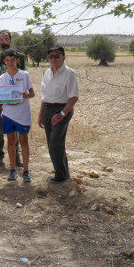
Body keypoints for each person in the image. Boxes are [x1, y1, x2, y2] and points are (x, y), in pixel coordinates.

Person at [38, 46, 79, 183]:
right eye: (51, 56)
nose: (53, 59)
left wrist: (61, 114)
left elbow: (73, 98)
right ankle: (63, 174)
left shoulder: (70, 74)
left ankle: (61, 176)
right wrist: (40, 115)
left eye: (57, 56)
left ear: (64, 57)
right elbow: (44, 96)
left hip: (62, 110)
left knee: (56, 143)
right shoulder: (47, 73)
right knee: (53, 144)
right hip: (47, 109)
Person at [0, 30, 26, 167]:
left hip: (15, 99)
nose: (4, 42)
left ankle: (16, 155)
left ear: (10, 40)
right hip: (0, 98)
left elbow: (23, 75)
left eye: (6, 39)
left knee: (15, 129)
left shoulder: (20, 57)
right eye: (2, 39)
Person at [0, 49, 35, 182]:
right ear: (4, 61)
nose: (10, 63)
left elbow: (32, 93)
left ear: (17, 60)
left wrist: (26, 95)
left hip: (22, 113)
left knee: (24, 141)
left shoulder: (24, 75)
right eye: (7, 60)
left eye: (12, 60)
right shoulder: (2, 77)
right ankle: (12, 169)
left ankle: (26, 170)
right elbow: (1, 95)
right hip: (8, 113)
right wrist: (0, 97)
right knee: (11, 141)